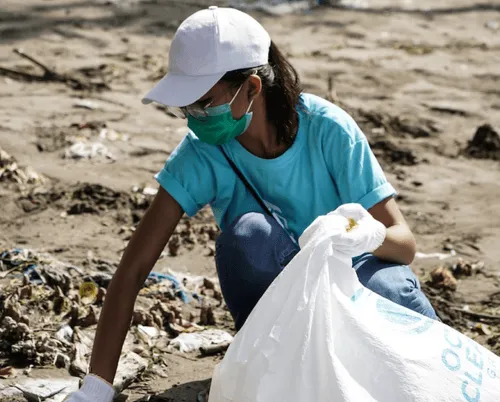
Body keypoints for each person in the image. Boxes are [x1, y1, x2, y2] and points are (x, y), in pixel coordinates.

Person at [66, 6, 438, 401]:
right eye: (186, 107)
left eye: (204, 103)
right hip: (278, 327)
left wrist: (360, 234)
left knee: (391, 286)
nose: (194, 118)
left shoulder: (328, 129)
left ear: (252, 88)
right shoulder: (201, 153)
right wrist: (96, 389)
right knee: (248, 236)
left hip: (353, 298)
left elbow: (404, 245)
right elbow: (132, 270)